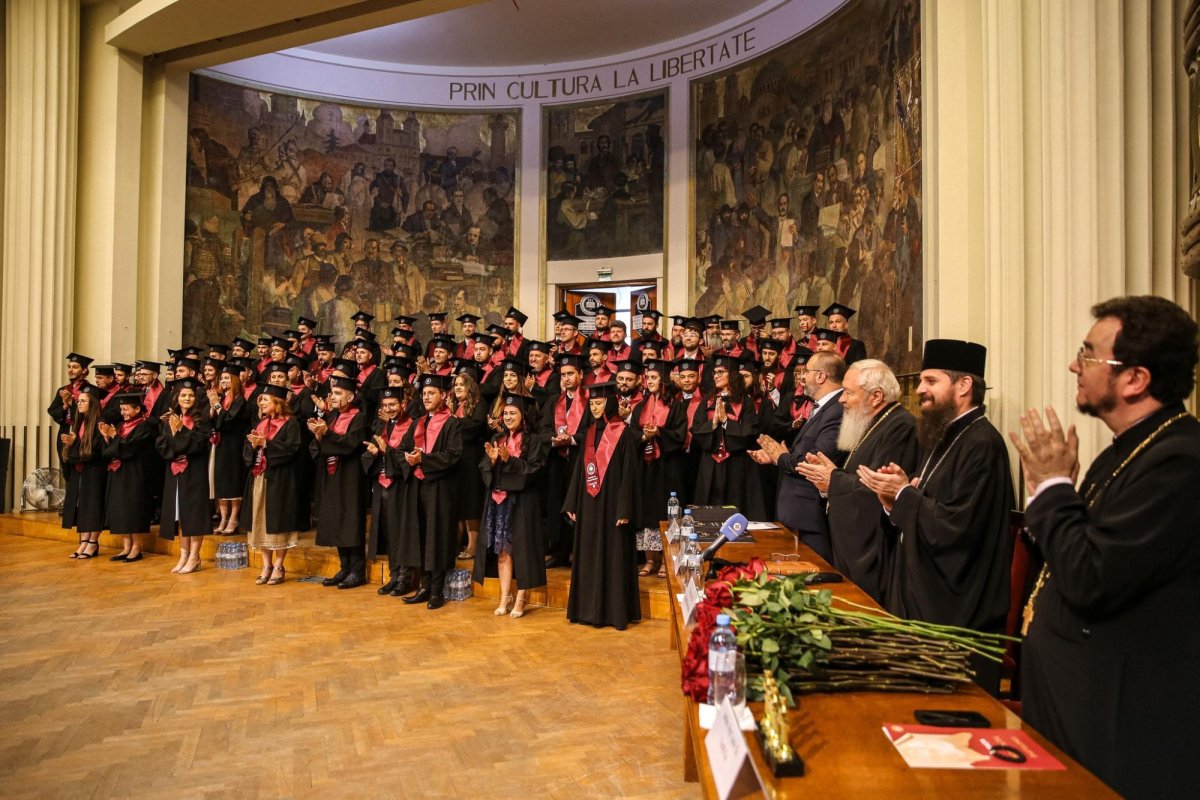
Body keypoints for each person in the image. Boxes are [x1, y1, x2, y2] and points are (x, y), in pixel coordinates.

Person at [1009, 296, 1200, 800]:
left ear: (1134, 379)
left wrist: (1051, 487)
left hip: (1117, 722)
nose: (1076, 363)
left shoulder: (1178, 462)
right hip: (1075, 705)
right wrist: (1054, 491)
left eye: (1089, 353)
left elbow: (1093, 576)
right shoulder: (1129, 449)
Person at [857, 339, 1015, 695]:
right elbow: (927, 506)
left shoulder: (983, 444)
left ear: (964, 385)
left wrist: (904, 494)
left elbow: (959, 527)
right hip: (924, 593)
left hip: (958, 610)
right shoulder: (943, 436)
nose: (921, 390)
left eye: (931, 381)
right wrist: (892, 498)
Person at [794, 359, 917, 605]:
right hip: (854, 546)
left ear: (876, 396)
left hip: (876, 551)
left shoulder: (900, 427)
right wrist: (828, 485)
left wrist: (833, 480)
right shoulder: (871, 423)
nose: (841, 399)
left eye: (849, 393)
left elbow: (877, 488)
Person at [562, 382, 642, 630]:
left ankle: (614, 613)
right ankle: (586, 610)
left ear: (610, 403)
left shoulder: (624, 433)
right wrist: (572, 502)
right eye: (593, 403)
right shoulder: (587, 433)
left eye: (599, 403)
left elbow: (630, 474)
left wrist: (624, 508)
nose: (595, 408)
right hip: (588, 504)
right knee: (587, 554)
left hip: (612, 506)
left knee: (614, 555)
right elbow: (579, 472)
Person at [751, 351, 846, 560]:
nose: (802, 378)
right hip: (799, 513)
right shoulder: (823, 407)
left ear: (821, 376)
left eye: (806, 372)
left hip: (811, 514)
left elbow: (817, 459)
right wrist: (777, 457)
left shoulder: (837, 410)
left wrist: (782, 458)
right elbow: (803, 452)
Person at [475, 394, 547, 619]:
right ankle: (504, 596)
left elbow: (535, 471)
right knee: (503, 552)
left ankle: (521, 598)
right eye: (505, 413)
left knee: (522, 551)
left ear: (523, 416)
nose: (507, 417)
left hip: (523, 503)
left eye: (512, 413)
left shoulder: (533, 441)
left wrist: (510, 461)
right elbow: (484, 468)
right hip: (499, 502)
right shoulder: (498, 439)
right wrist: (494, 461)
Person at [395, 374, 463, 609]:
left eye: (431, 393)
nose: (426, 397)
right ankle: (424, 586)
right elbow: (401, 448)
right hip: (417, 486)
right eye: (423, 394)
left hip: (439, 488)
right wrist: (408, 459)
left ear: (444, 395)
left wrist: (424, 459)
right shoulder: (418, 422)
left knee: (438, 536)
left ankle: (437, 589)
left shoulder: (452, 423)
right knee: (421, 535)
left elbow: (454, 455)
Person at [241, 384, 308, 585]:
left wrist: (266, 444)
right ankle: (266, 565)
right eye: (260, 399)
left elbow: (292, 449)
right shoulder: (260, 424)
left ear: (277, 403)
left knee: (278, 522)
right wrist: (252, 447)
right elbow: (247, 452)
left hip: (280, 479)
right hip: (259, 478)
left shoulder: (291, 424)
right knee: (259, 520)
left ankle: (279, 565)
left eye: (265, 399)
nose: (261, 402)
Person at [310, 375, 369, 589]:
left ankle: (357, 570)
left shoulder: (359, 418)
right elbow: (320, 447)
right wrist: (318, 436)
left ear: (351, 396)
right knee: (336, 519)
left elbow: (352, 444)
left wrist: (327, 434)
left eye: (337, 393)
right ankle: (344, 567)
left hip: (351, 476)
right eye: (332, 393)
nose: (332, 397)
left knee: (350, 521)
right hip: (332, 475)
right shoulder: (333, 416)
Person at [629, 359, 686, 579]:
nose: (648, 381)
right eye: (647, 377)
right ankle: (650, 559)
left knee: (666, 512)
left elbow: (680, 434)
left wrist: (660, 433)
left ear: (663, 380)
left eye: (653, 377)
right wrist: (644, 436)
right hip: (645, 466)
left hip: (667, 467)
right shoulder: (641, 405)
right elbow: (632, 432)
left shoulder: (676, 405)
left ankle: (666, 560)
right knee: (646, 511)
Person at [691, 356, 766, 519]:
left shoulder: (745, 402)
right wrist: (713, 422)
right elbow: (696, 429)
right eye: (714, 372)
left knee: (736, 505)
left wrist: (726, 422)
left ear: (732, 374)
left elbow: (751, 432)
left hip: (736, 463)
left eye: (720, 372)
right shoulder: (707, 401)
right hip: (710, 463)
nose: (716, 376)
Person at [364, 385, 417, 598]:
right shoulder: (383, 427)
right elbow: (372, 454)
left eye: (393, 404)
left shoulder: (412, 427)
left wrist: (387, 452)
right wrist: (374, 452)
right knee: (388, 532)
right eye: (385, 405)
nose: (389, 409)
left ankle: (406, 578)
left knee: (402, 532)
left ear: (403, 404)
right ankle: (394, 576)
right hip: (382, 485)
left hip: (402, 486)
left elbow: (408, 459)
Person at [156, 378, 212, 574]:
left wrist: (181, 430)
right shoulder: (170, 418)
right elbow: (162, 445)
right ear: (176, 398)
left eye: (191, 395)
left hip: (194, 472)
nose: (187, 398)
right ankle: (184, 555)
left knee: (194, 515)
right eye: (183, 395)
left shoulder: (202, 419)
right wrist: (173, 436)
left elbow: (200, 445)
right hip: (175, 472)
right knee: (180, 515)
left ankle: (195, 557)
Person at [541, 353, 588, 569]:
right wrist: (552, 439)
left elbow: (594, 431)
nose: (567, 378)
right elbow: (542, 429)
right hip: (557, 462)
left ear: (580, 374)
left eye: (571, 374)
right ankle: (559, 551)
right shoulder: (553, 401)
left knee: (578, 507)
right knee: (556, 504)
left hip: (580, 461)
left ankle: (578, 550)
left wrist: (572, 439)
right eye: (563, 375)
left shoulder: (589, 401)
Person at [61, 384, 106, 559]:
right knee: (82, 505)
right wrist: (71, 444)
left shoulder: (99, 422)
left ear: (92, 403)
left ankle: (93, 542)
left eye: (83, 401)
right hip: (81, 469)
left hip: (95, 470)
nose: (78, 404)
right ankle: (84, 541)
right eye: (78, 401)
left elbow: (96, 450)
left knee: (93, 505)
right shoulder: (80, 421)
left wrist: (75, 445)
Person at [449, 370, 488, 559]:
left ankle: (473, 545)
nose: (457, 387)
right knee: (459, 502)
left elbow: (475, 427)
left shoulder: (479, 405)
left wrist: (455, 420)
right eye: (455, 385)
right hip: (457, 460)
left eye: (461, 384)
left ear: (470, 387)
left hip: (472, 459)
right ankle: (457, 542)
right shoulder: (456, 406)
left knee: (471, 502)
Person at [208, 363, 250, 534]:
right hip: (219, 444)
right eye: (222, 378)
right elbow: (212, 422)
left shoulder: (240, 399)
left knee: (232, 482)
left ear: (234, 381)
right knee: (221, 482)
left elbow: (229, 421)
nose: (223, 381)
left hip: (233, 446)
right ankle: (224, 518)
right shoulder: (222, 398)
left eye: (227, 378)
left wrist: (217, 405)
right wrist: (213, 406)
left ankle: (233, 518)